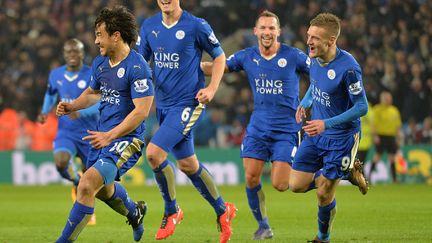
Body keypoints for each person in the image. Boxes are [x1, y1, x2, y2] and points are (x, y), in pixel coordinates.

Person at [201, 10, 368, 241]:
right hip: (272, 128)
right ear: (255, 31)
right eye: (263, 27)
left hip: (309, 132)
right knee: (273, 181)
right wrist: (188, 66)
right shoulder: (250, 56)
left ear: (278, 32)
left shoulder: (315, 60)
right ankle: (264, 225)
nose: (267, 32)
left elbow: (353, 100)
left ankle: (327, 220)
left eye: (272, 28)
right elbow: (317, 83)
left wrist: (324, 119)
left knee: (302, 189)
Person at [136, 1, 236, 242]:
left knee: (153, 154)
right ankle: (223, 210)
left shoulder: (196, 25)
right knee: (188, 165)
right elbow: (140, 64)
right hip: (164, 107)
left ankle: (172, 210)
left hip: (187, 104)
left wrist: (212, 88)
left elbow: (220, 57)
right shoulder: (149, 26)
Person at [55, 6, 154, 242]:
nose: (96, 40)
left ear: (116, 35)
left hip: (126, 139)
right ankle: (134, 211)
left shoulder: (138, 67)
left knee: (87, 185)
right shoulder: (101, 63)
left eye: (100, 34)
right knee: (103, 191)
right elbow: (92, 92)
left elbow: (142, 112)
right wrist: (73, 105)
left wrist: (111, 136)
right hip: (102, 136)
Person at [289, 13, 368, 243]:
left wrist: (327, 123)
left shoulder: (349, 68)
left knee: (324, 192)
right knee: (295, 185)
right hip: (316, 133)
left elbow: (362, 107)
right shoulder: (314, 58)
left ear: (331, 40)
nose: (309, 42)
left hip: (342, 137)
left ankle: (323, 238)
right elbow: (316, 86)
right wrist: (305, 103)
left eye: (314, 38)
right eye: (308, 36)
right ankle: (346, 172)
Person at [37, 39, 98, 225]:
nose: (72, 55)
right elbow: (51, 94)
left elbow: (100, 101)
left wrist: (81, 112)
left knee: (94, 182)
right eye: (69, 52)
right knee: (61, 162)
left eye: (76, 52)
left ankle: (87, 210)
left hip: (90, 132)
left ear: (82, 53)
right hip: (66, 131)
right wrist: (45, 111)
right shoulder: (56, 74)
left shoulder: (91, 74)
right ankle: (75, 180)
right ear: (64, 54)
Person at [369, 91, 401, 183]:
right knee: (377, 156)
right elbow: (373, 124)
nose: (388, 100)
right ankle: (369, 177)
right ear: (381, 99)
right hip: (381, 135)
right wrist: (375, 136)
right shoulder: (377, 109)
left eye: (389, 98)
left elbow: (397, 125)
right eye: (386, 98)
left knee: (392, 157)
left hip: (391, 136)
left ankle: (394, 179)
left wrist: (398, 136)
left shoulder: (394, 110)